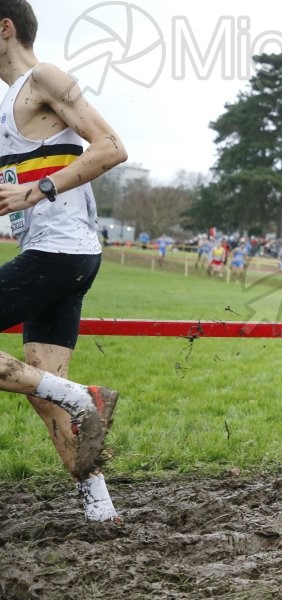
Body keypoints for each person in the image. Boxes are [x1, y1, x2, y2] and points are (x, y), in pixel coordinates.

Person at [0, 0, 126, 522]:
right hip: (56, 254)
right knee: (43, 393)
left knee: (58, 393)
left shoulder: (43, 77)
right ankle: (101, 510)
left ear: (4, 28)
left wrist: (37, 191)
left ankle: (81, 395)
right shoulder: (12, 100)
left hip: (62, 251)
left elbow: (112, 147)